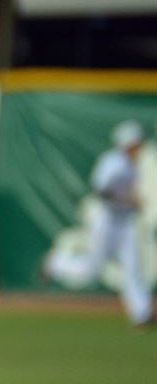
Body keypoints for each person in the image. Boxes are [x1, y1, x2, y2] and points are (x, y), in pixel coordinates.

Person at [44, 120, 153, 327]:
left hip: (123, 221)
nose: (139, 147)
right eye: (136, 143)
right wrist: (129, 200)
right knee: (91, 270)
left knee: (132, 267)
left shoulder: (131, 164)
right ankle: (55, 263)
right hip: (105, 221)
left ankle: (142, 314)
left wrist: (131, 201)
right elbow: (100, 190)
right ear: (128, 144)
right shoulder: (113, 162)